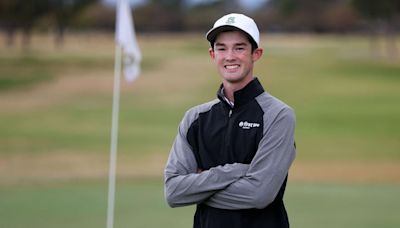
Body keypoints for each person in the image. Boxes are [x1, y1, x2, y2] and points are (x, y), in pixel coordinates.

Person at [164, 13, 296, 228]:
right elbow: (174, 192)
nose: (230, 56)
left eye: (240, 48)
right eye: (222, 48)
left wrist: (199, 188)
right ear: (212, 54)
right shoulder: (195, 118)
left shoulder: (279, 115)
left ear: (256, 53)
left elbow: (259, 194)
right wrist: (237, 171)